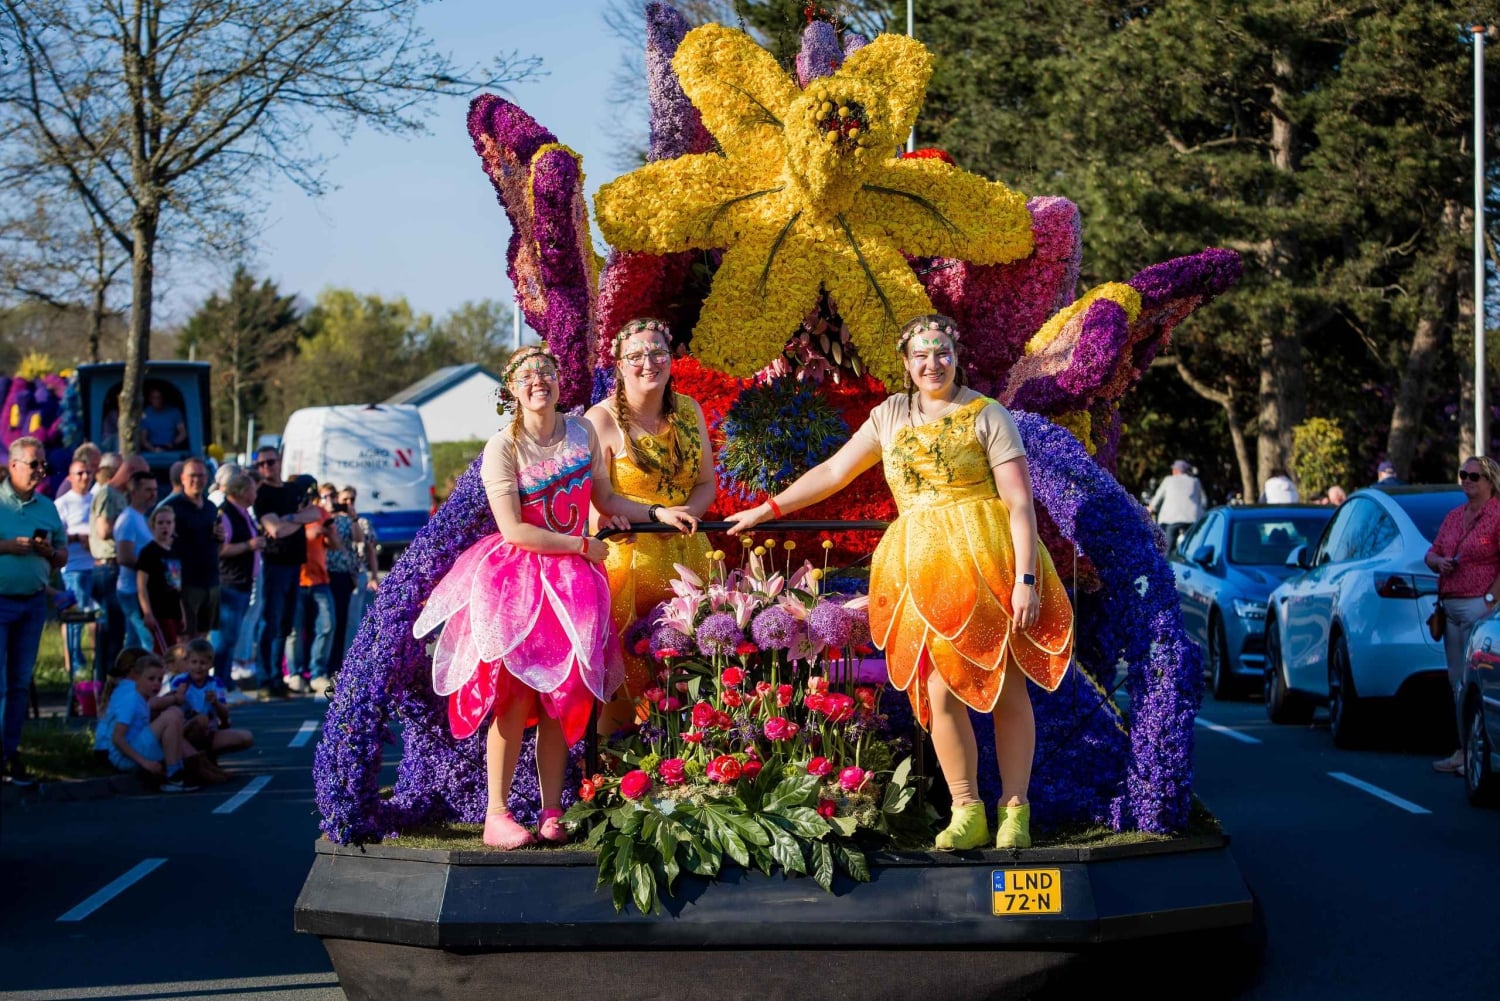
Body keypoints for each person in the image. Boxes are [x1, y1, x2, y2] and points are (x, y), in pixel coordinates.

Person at [725, 315, 1074, 851]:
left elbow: (1020, 503)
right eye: (920, 356)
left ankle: (1015, 809)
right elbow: (834, 472)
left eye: (941, 353)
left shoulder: (987, 414)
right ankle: (966, 810)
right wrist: (766, 509)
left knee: (1004, 684)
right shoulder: (888, 416)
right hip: (920, 566)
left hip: (988, 559)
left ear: (956, 356)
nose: (932, 364)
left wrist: (1026, 579)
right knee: (936, 688)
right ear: (906, 363)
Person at [412, 343, 695, 849]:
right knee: (515, 698)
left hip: (575, 583)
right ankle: (496, 814)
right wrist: (582, 545)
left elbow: (603, 499)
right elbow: (515, 530)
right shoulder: (502, 446)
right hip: (518, 582)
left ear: (560, 382)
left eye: (546, 372)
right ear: (512, 391)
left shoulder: (582, 431)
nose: (538, 380)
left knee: (562, 696)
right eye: (527, 376)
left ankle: (550, 808)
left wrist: (655, 513)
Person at [584, 318, 714, 736]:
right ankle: (613, 780)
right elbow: (601, 499)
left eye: (658, 353)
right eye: (636, 356)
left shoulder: (689, 411)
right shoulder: (600, 420)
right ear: (619, 365)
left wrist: (688, 513)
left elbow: (706, 483)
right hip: (631, 562)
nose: (648, 363)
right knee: (627, 677)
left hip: (690, 556)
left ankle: (686, 771)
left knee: (693, 675)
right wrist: (660, 514)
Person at [1425, 455, 1500, 775]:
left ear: (1490, 481)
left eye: (1474, 476)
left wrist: (1489, 599)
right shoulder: (1455, 516)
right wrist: (1438, 563)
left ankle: (1479, 753)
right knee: (1456, 681)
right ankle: (1464, 750)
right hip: (1451, 606)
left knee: (1478, 684)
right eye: (1463, 475)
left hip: (1479, 606)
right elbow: (1432, 552)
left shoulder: (1496, 514)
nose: (1467, 481)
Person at [0, 437, 68, 786]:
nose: (41, 471)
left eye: (43, 465)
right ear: (13, 465)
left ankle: (9, 754)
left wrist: (48, 552)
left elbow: (63, 554)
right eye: (34, 465)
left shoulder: (47, 506)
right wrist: (7, 546)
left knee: (18, 683)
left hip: (32, 603)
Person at [253, 449, 323, 697]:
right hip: (275, 563)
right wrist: (296, 520)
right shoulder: (262, 494)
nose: (266, 467)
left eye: (270, 462)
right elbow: (275, 530)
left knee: (285, 624)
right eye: (260, 464)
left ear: (279, 462)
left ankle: (277, 678)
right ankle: (265, 677)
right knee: (270, 621)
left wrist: (289, 517)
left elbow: (316, 513)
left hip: (295, 564)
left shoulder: (292, 490)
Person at [92, 652, 200, 792]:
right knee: (171, 716)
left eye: (160, 679)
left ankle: (179, 770)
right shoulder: (131, 699)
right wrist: (145, 763)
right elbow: (117, 738)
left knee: (175, 713)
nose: (156, 684)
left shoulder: (142, 699)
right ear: (136, 677)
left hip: (136, 747)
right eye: (151, 679)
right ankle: (174, 776)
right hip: (122, 758)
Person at [90, 453, 142, 684]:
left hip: (118, 569)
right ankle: (105, 686)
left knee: (120, 632)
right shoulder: (108, 494)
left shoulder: (122, 496)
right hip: (108, 568)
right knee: (111, 634)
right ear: (129, 474)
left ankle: (115, 683)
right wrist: (129, 532)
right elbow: (103, 529)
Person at [167, 637, 252, 774]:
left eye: (203, 663)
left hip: (209, 732)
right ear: (187, 663)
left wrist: (215, 702)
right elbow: (171, 707)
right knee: (201, 720)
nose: (198, 667)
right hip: (186, 732)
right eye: (194, 662)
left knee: (246, 737)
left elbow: (225, 714)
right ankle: (194, 761)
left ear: (210, 664)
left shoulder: (215, 683)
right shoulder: (179, 681)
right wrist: (178, 697)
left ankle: (208, 756)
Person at [163, 457, 223, 641]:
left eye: (201, 476)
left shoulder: (211, 507)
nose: (197, 480)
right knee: (184, 636)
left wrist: (220, 538)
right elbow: (164, 546)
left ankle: (199, 670)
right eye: (192, 476)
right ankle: (183, 670)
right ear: (182, 478)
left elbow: (218, 544)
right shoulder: (173, 508)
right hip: (186, 583)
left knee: (203, 635)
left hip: (211, 580)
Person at [215, 471, 262, 697]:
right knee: (226, 637)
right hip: (230, 582)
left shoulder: (243, 513)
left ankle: (226, 681)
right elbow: (222, 549)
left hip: (243, 582)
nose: (256, 493)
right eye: (253, 488)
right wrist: (249, 545)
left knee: (232, 636)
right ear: (243, 491)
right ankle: (221, 682)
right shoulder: (225, 514)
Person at [288, 477, 336, 695]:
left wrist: (328, 532)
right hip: (297, 578)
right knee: (295, 631)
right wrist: (307, 533)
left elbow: (335, 545)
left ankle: (317, 672)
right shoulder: (291, 513)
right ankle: (295, 672)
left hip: (320, 578)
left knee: (326, 625)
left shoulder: (320, 513)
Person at [55, 459, 97, 681]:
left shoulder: (95, 500)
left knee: (97, 618)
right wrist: (77, 538)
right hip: (73, 568)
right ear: (70, 477)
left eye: (88, 472)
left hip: (96, 566)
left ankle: (97, 666)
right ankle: (75, 666)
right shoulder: (62, 504)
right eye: (79, 473)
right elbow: (56, 537)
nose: (84, 477)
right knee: (76, 618)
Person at [114, 471, 159, 651]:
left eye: (155, 489)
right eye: (148, 490)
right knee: (149, 641)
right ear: (134, 493)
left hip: (140, 589)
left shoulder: (141, 517)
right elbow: (124, 557)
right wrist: (153, 570)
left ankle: (127, 677)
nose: (153, 494)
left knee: (133, 644)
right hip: (132, 590)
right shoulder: (128, 519)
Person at [319, 483, 359, 682]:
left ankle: (334, 666)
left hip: (342, 574)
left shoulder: (343, 521)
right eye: (326, 496)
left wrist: (352, 517)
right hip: (322, 574)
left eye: (333, 496)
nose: (331, 501)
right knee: (324, 623)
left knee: (339, 622)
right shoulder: (317, 518)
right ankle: (318, 665)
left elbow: (359, 539)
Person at [136, 505, 185, 651]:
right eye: (161, 523)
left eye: (169, 523)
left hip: (173, 609)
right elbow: (141, 586)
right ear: (153, 526)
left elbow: (177, 587)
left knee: (175, 648)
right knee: (165, 650)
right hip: (158, 610)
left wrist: (182, 613)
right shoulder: (148, 552)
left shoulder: (174, 551)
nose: (165, 527)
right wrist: (147, 613)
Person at [1147, 459, 1205, 553]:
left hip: (1171, 519)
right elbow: (1203, 500)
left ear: (1176, 470)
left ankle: (1166, 562)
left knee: (1167, 546)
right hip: (1192, 519)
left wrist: (1150, 508)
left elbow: (1158, 496)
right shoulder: (1195, 481)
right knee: (1189, 546)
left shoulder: (1169, 480)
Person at [140, 386, 187, 452]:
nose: (157, 400)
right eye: (154, 398)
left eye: (159, 397)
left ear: (163, 398)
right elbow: (143, 439)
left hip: (173, 449)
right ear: (150, 399)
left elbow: (183, 433)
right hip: (152, 450)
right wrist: (154, 449)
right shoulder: (144, 414)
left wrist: (172, 444)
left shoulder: (175, 412)